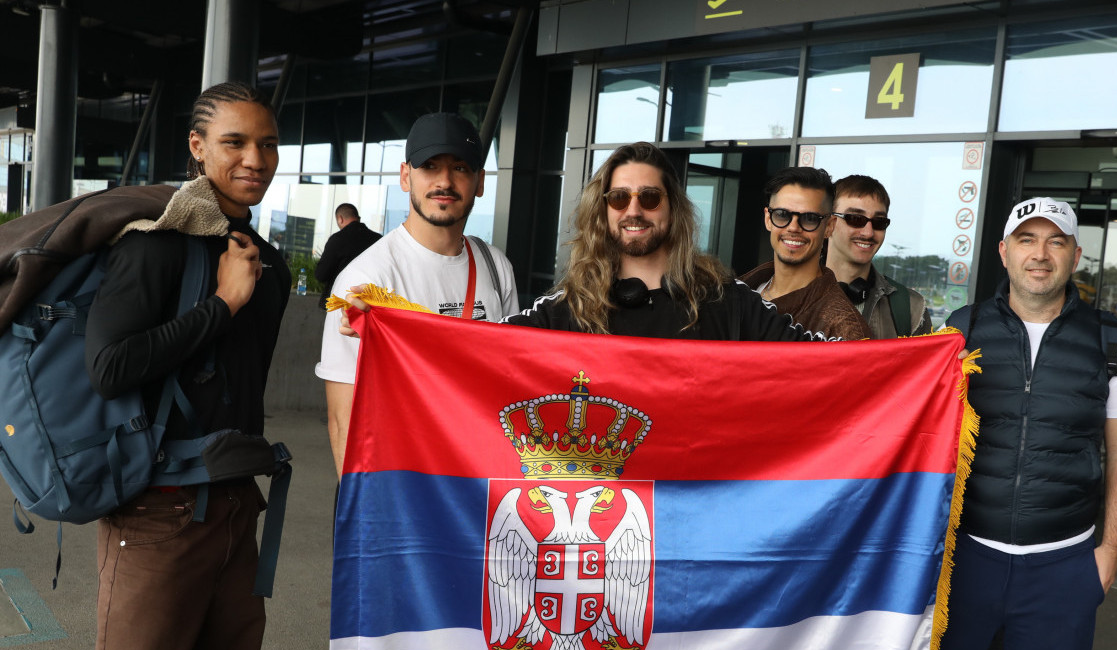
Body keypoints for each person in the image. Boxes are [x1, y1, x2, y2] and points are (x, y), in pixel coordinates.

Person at [886, 197, 1117, 650]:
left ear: (1076, 255)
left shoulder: (1109, 342)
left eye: (1056, 241)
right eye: (1027, 239)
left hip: (1062, 565)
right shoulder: (962, 330)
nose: (1040, 253)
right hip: (965, 559)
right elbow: (921, 436)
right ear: (1004, 252)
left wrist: (1109, 554)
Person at [82, 82, 289, 650]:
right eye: (235, 142)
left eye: (267, 144)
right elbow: (109, 366)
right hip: (158, 512)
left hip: (236, 505)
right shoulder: (156, 246)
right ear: (198, 147)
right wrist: (224, 304)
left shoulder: (266, 260)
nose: (254, 158)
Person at [316, 112, 518, 474]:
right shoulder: (366, 279)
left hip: (476, 475)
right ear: (406, 176)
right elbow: (342, 420)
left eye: (460, 167)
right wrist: (363, 503)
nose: (445, 181)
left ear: (480, 182)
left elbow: (510, 378)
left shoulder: (495, 265)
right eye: (429, 166)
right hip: (399, 478)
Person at [502, 142, 828, 341]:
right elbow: (482, 348)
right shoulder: (566, 309)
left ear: (673, 208)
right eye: (618, 198)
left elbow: (823, 360)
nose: (633, 211)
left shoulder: (728, 301)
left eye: (650, 197)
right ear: (603, 210)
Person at [738, 167, 869, 340]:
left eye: (809, 218)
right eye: (782, 215)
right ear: (768, 219)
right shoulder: (731, 293)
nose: (793, 228)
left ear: (829, 226)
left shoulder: (845, 329)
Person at [826, 174, 931, 338]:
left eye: (879, 222)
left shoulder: (911, 308)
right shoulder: (789, 295)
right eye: (856, 219)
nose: (868, 233)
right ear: (828, 224)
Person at [314, 203, 381, 304]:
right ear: (358, 218)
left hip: (337, 301)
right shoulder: (378, 239)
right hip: (368, 302)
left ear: (340, 219)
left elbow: (321, 275)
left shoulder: (337, 239)